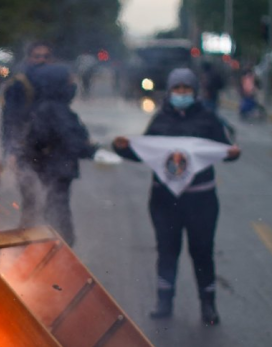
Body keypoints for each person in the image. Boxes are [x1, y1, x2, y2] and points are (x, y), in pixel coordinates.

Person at [112, 68, 240, 325]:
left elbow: (224, 149)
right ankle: (163, 301)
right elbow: (144, 152)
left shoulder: (209, 119)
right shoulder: (160, 121)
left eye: (186, 89)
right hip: (164, 201)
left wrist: (232, 153)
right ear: (169, 92)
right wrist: (122, 148)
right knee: (167, 251)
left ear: (195, 91)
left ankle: (208, 304)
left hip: (201, 200)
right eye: (177, 89)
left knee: (202, 251)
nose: (182, 93)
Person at [20, 63, 96, 246]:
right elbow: (59, 139)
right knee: (58, 218)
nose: (73, 85)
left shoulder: (55, 108)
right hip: (55, 170)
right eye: (69, 81)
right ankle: (59, 258)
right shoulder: (52, 109)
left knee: (56, 212)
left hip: (56, 170)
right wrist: (88, 148)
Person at [1, 41, 54, 227]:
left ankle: (52, 243)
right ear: (29, 58)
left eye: (46, 57)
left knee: (53, 200)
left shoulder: (56, 84)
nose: (41, 61)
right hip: (26, 149)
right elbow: (10, 120)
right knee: (30, 198)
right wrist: (11, 151)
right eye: (37, 56)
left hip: (51, 150)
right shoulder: (19, 84)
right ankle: (28, 240)